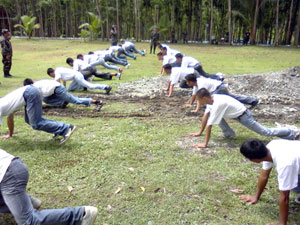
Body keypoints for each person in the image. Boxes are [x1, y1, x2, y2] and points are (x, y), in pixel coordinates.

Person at [0, 148, 98, 225]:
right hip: (14, 165)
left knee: (28, 221)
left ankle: (80, 215)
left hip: (8, 175)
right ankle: (31, 202)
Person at [190, 88, 300, 148]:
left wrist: (205, 144)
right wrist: (200, 132)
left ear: (204, 97)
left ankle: (292, 132)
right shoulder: (211, 100)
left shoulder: (218, 103)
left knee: (265, 132)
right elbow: (206, 116)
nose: (198, 102)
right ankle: (229, 134)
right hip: (235, 114)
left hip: (243, 115)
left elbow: (209, 125)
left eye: (199, 100)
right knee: (216, 118)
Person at [239, 138, 300, 225]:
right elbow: (264, 176)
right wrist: (256, 197)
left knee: (294, 185)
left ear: (252, 160)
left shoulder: (285, 164)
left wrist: (281, 223)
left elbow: (285, 197)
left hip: (291, 161)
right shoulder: (271, 146)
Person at [0, 85, 76, 144]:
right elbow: (10, 119)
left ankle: (66, 128)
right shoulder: (4, 104)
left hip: (29, 93)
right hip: (30, 92)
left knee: (36, 123)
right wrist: (10, 134)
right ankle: (59, 130)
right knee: (29, 120)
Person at [184, 74, 258, 112]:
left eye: (187, 82)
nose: (187, 83)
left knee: (214, 101)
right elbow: (194, 95)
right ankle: (252, 100)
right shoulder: (196, 84)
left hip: (219, 88)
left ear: (191, 82)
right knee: (231, 98)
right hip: (218, 87)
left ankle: (251, 101)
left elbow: (201, 97)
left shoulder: (201, 84)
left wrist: (196, 109)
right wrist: (190, 104)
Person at [23, 78, 104, 111]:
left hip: (58, 89)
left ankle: (97, 102)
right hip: (54, 90)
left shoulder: (34, 87)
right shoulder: (37, 84)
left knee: (75, 100)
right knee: (46, 99)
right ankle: (63, 103)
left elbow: (36, 99)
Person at [47, 67, 112, 94]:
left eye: (51, 75)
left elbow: (57, 82)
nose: (52, 76)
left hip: (77, 76)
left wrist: (58, 90)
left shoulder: (57, 72)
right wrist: (64, 88)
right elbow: (63, 80)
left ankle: (106, 87)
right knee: (70, 88)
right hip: (75, 77)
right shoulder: (58, 70)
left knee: (90, 86)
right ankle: (84, 84)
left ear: (51, 73)